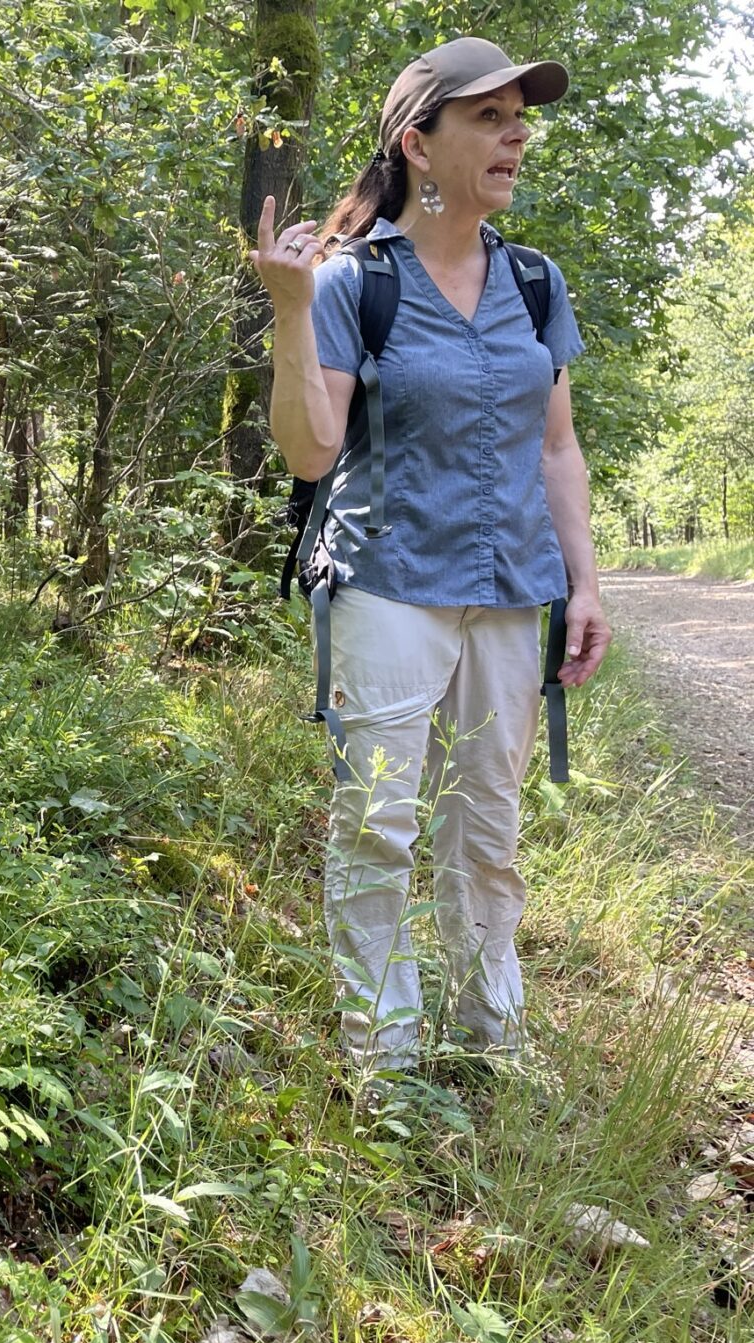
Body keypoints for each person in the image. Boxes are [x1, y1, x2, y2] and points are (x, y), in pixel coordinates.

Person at [247, 37, 612, 1074]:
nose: (517, 134)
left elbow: (556, 445)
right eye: (489, 118)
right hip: (390, 586)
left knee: (486, 832)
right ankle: (388, 1064)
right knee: (378, 826)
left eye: (520, 117)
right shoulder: (352, 282)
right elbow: (313, 448)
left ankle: (492, 1043)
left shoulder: (536, 284)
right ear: (418, 142)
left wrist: (585, 584)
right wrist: (287, 308)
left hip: (511, 595)